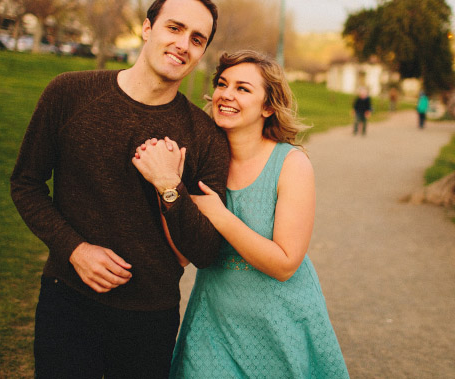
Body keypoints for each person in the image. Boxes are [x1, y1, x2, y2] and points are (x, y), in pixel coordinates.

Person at [10, 0, 230, 379]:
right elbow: (26, 184)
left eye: (197, 39)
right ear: (147, 29)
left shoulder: (204, 135)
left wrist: (168, 184)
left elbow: (207, 250)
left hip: (150, 317)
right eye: (174, 28)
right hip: (67, 300)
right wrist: (74, 249)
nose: (183, 44)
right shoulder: (69, 93)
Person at [136, 50, 349, 378]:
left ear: (268, 106)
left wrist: (220, 216)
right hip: (213, 326)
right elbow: (181, 255)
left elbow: (285, 264)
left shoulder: (291, 164)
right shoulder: (200, 162)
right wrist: (168, 189)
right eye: (223, 84)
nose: (227, 95)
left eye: (243, 88)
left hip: (279, 325)